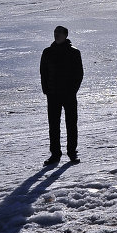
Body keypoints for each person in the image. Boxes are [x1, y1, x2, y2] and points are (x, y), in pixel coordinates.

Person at [40, 25, 83, 164]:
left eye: (59, 33)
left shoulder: (74, 52)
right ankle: (55, 154)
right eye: (55, 32)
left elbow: (79, 75)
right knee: (53, 126)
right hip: (52, 95)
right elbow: (43, 73)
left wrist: (72, 91)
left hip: (69, 95)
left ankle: (72, 153)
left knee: (71, 124)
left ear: (66, 35)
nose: (56, 35)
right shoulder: (47, 52)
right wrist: (46, 90)